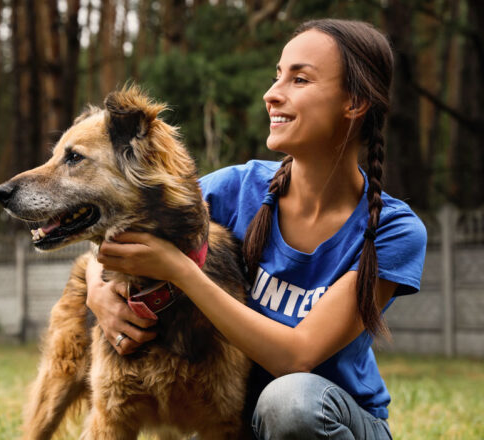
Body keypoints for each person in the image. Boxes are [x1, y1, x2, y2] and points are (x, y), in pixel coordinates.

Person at [85, 19, 427, 440]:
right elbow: (131, 225)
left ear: (354, 103)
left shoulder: (392, 230)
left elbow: (296, 357)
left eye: (299, 78)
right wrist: (97, 290)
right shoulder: (233, 189)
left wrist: (181, 271)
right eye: (276, 76)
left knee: (290, 402)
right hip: (236, 426)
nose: (272, 94)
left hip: (334, 420)